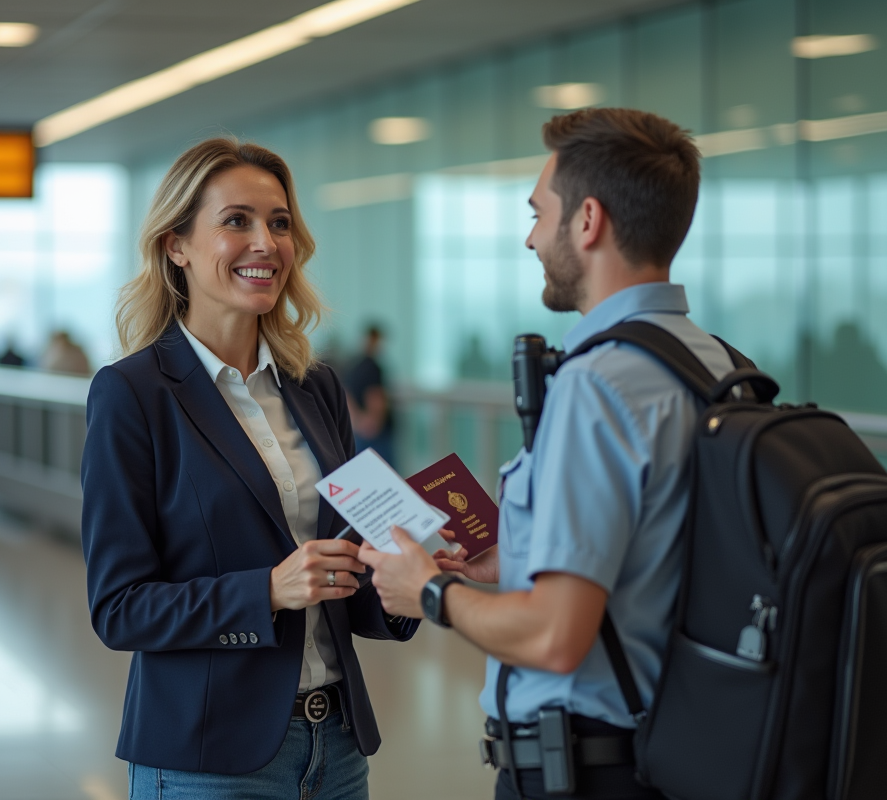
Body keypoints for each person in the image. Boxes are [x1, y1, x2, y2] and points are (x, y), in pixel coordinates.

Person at [359, 108, 732, 800]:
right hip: (680, 748)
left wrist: (432, 591)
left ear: (587, 222)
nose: (531, 238)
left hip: (590, 769)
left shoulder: (597, 385)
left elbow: (558, 638)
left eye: (538, 213)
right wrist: (517, 558)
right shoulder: (714, 362)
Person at [81, 137, 417, 800]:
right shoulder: (133, 393)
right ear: (176, 244)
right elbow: (119, 608)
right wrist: (266, 589)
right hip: (209, 758)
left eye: (280, 223)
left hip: (337, 748)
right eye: (237, 221)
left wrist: (418, 571)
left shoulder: (315, 385)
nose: (266, 242)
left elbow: (350, 559)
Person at [344, 324, 395, 465]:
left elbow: (346, 394)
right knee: (385, 475)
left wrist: (356, 421)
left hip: (359, 429)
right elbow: (375, 396)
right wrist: (374, 422)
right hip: (374, 431)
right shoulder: (373, 367)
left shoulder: (353, 365)